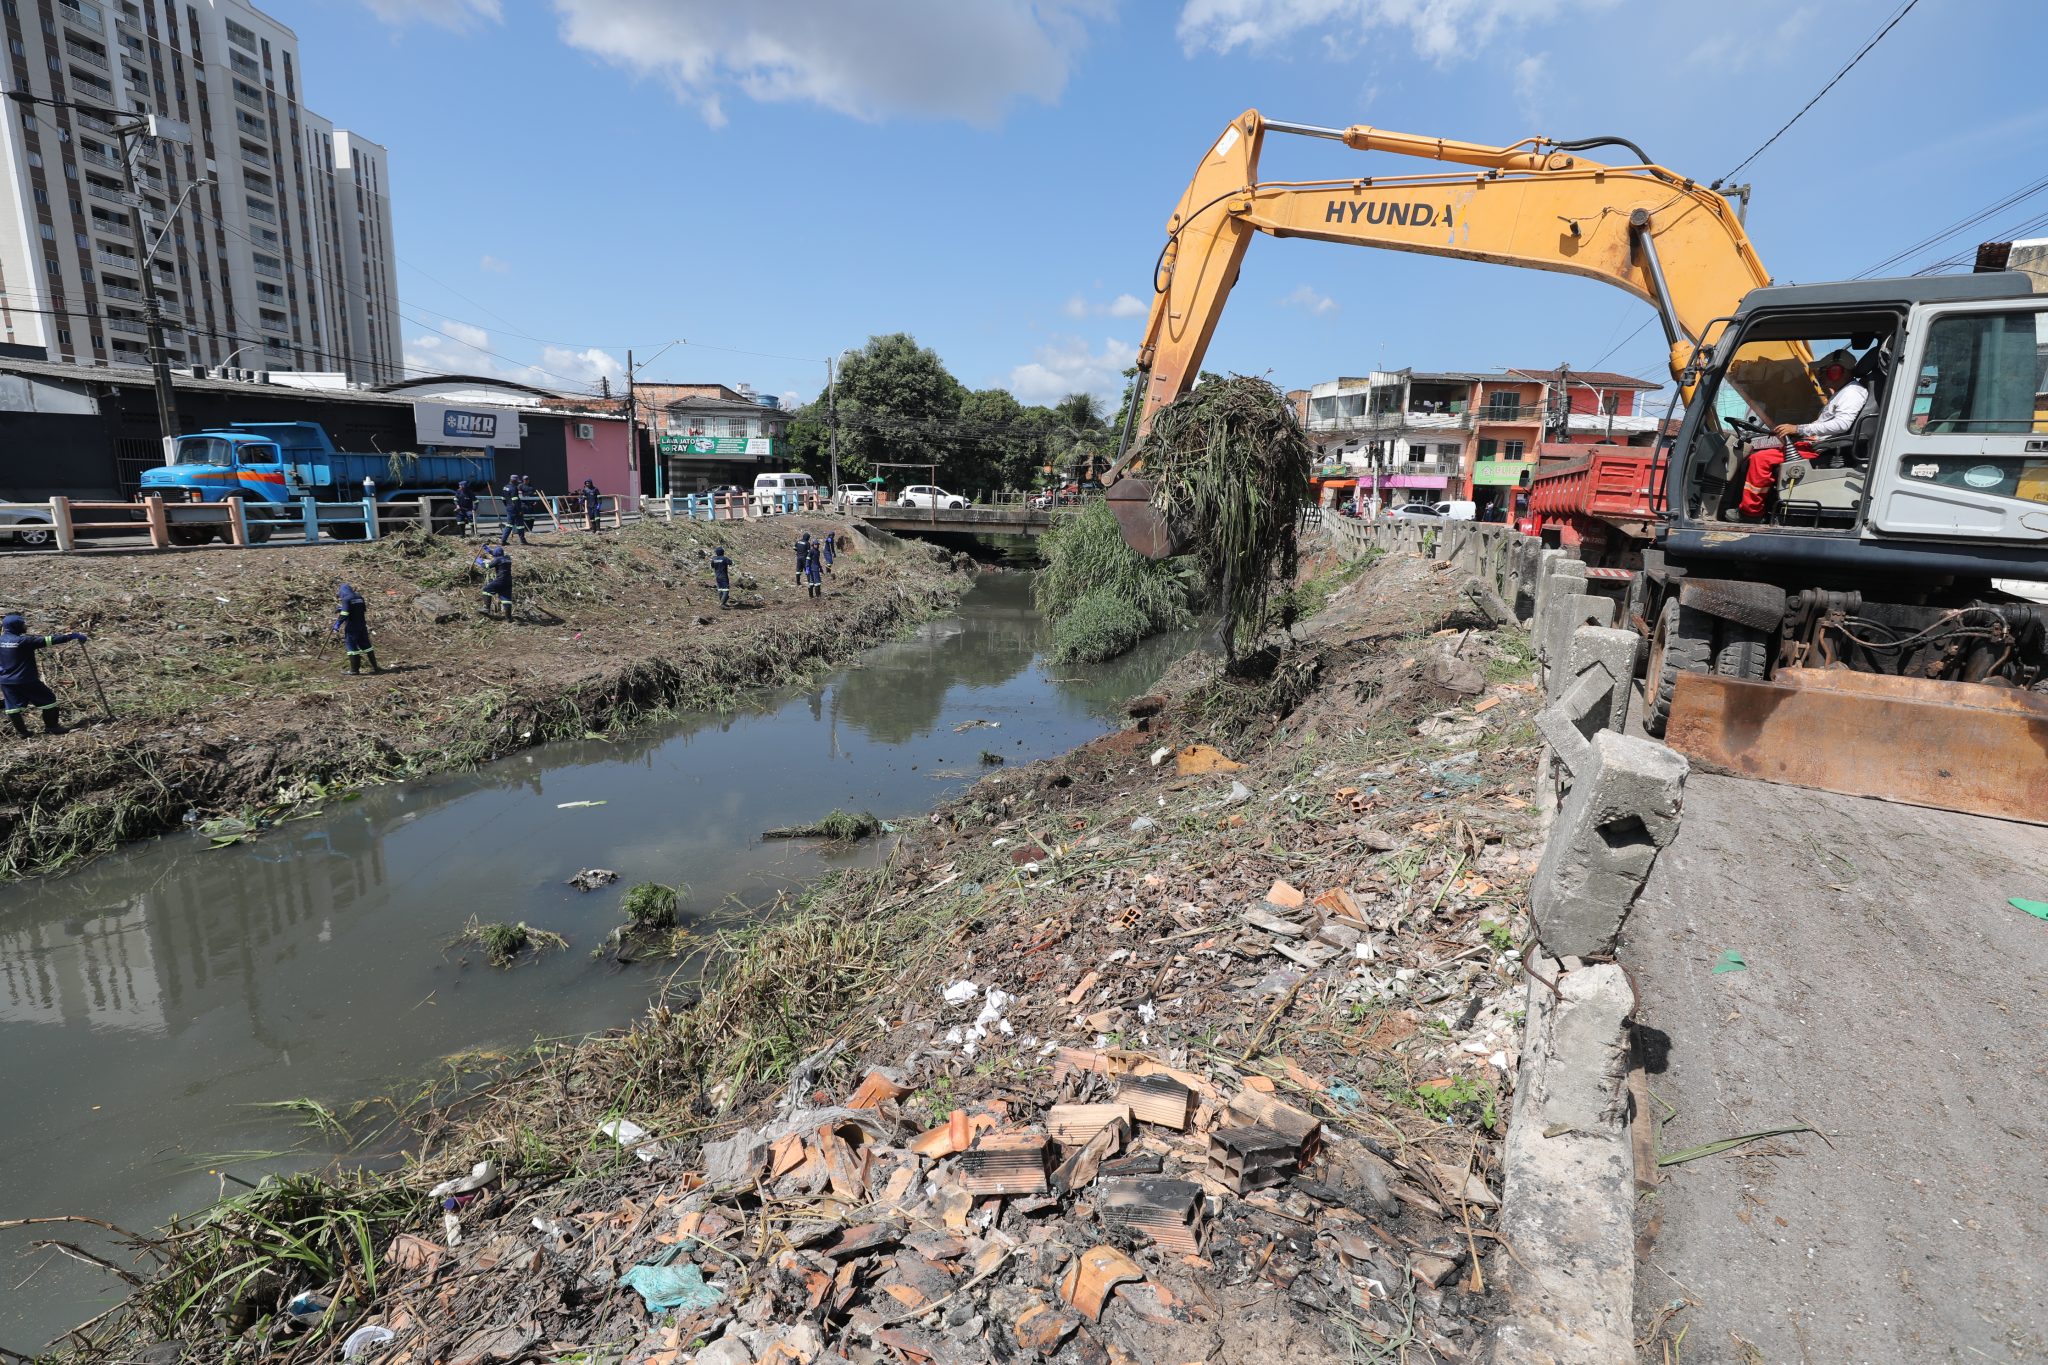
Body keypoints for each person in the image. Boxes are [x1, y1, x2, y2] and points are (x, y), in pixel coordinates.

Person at [1737, 348, 1869, 520]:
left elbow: (1842, 424)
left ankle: (1751, 513)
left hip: (1820, 448)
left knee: (1760, 460)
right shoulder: (1844, 392)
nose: (1820, 376)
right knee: (1757, 450)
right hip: (1814, 443)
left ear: (1838, 371)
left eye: (1824, 371)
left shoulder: (1852, 393)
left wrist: (1798, 429)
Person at [0, 613, 87, 736]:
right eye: (23, 624)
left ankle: (22, 733)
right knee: (49, 700)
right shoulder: (24, 641)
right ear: (16, 626)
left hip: (5, 681)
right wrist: (72, 636)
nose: (26, 626)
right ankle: (52, 727)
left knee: (13, 706)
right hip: (26, 679)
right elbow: (49, 640)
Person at [332, 582, 382, 675]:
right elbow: (362, 609)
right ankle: (375, 667)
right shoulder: (359, 597)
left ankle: (354, 670)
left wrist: (337, 625)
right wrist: (342, 608)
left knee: (351, 646)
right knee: (367, 646)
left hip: (352, 627)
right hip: (362, 625)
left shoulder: (346, 599)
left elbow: (345, 614)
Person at [477, 543, 514, 620]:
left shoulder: (497, 560)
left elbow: (487, 566)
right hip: (508, 581)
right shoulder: (508, 558)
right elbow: (495, 553)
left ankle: (486, 609)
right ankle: (509, 618)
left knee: (486, 590)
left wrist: (480, 562)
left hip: (500, 580)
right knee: (506, 599)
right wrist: (486, 549)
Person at [711, 544, 732, 609]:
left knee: (720, 589)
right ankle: (722, 604)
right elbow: (730, 562)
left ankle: (723, 603)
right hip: (724, 577)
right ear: (723, 552)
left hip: (717, 576)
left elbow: (712, 566)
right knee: (726, 590)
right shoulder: (724, 558)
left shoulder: (714, 559)